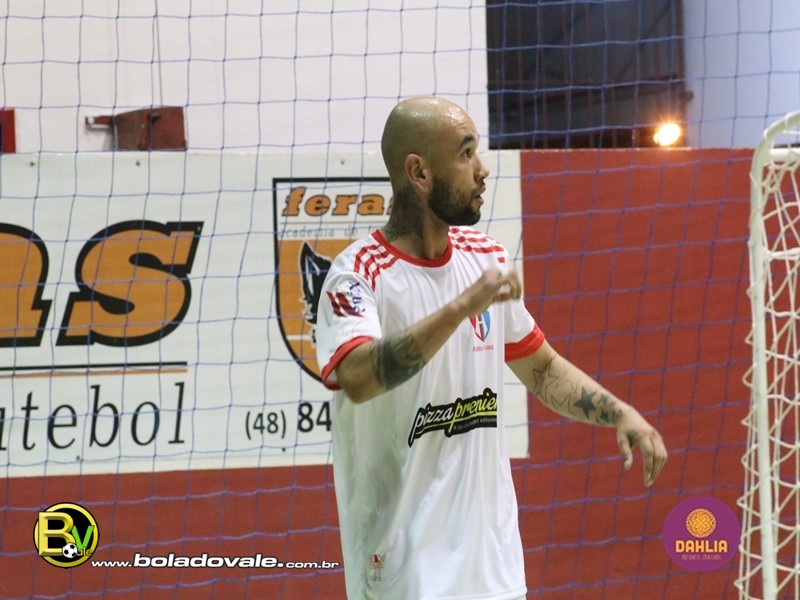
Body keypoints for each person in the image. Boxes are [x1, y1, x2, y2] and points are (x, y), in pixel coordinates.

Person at [315, 96, 667, 600]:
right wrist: (462, 306)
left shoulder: (485, 258)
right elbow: (359, 377)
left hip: (494, 569)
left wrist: (619, 412)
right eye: (466, 154)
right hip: (405, 575)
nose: (482, 170)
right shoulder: (357, 274)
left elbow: (543, 371)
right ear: (419, 172)